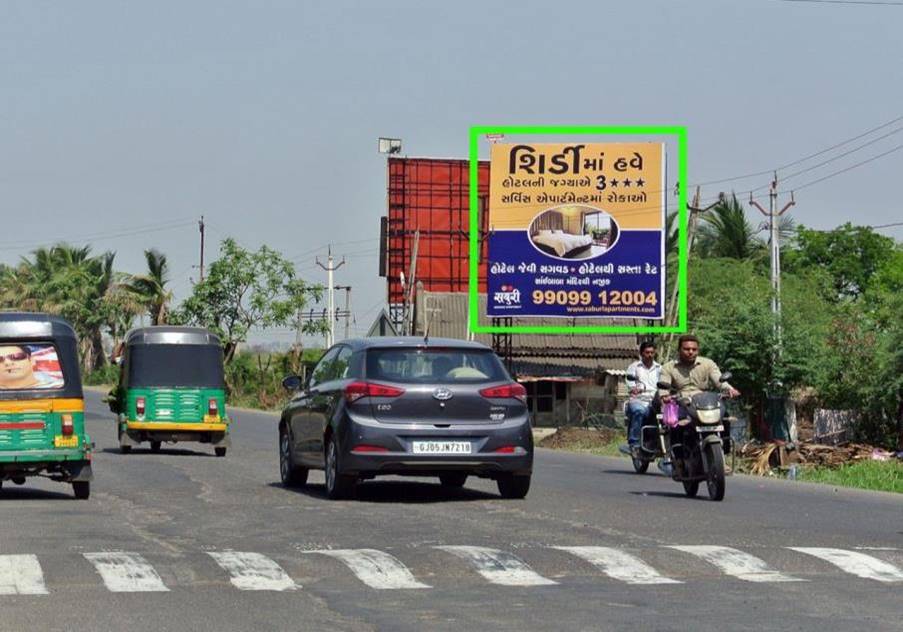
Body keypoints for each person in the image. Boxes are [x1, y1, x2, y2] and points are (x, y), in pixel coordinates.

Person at [658, 334, 740, 406]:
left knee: (726, 419)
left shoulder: (708, 363)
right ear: (679, 350)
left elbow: (719, 381)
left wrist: (730, 389)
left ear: (698, 351)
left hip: (705, 402)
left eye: (694, 349)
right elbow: (664, 386)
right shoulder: (668, 367)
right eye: (687, 349)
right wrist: (665, 396)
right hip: (680, 404)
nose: (691, 352)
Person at [620, 341, 661, 457]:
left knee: (670, 416)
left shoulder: (660, 368)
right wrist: (634, 388)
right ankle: (634, 444)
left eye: (652, 352)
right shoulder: (634, 367)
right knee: (639, 411)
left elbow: (665, 382)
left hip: (656, 400)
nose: (650, 355)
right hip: (639, 399)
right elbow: (630, 382)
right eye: (647, 352)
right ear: (642, 353)